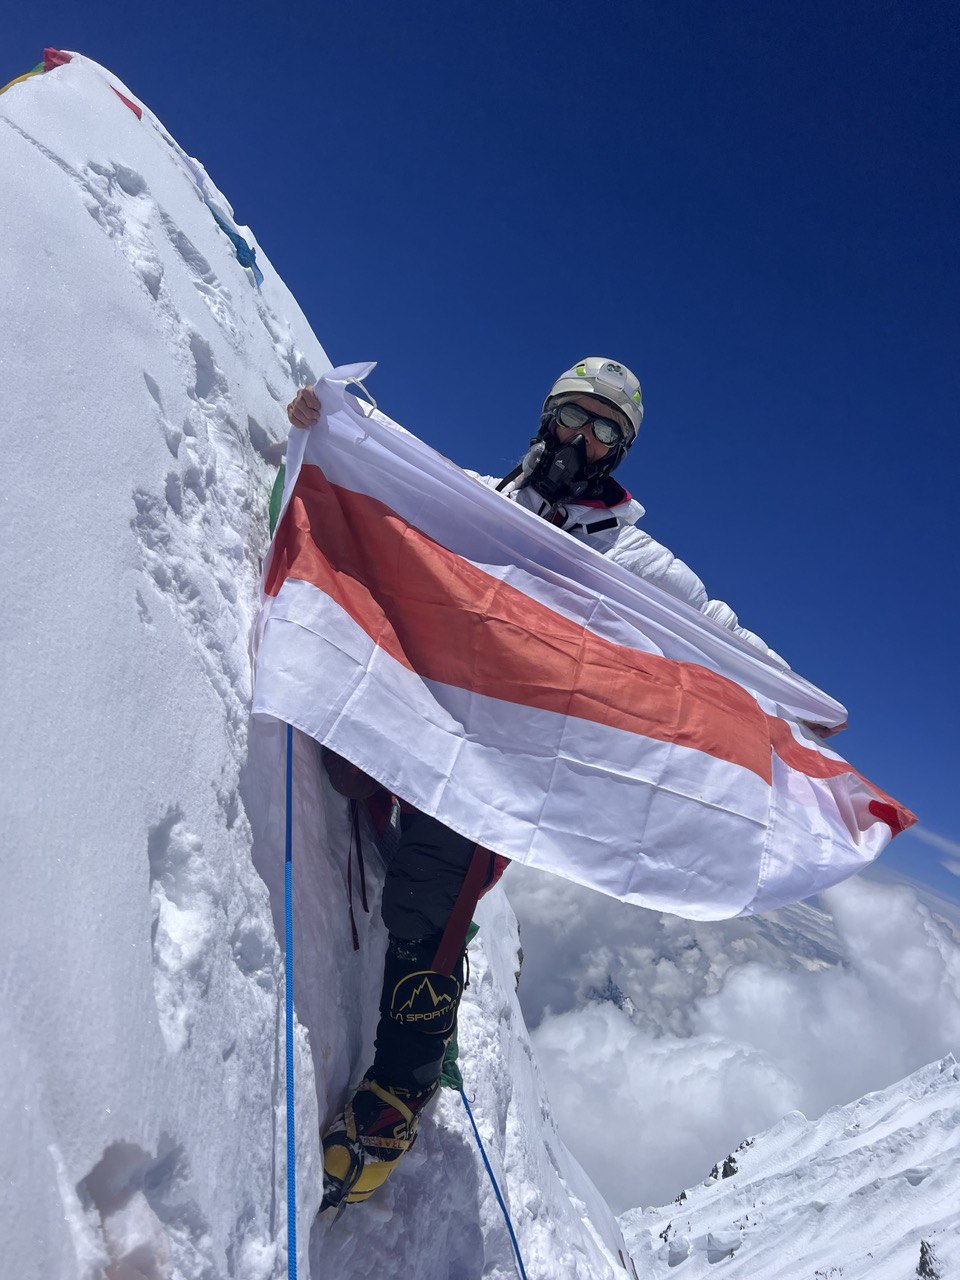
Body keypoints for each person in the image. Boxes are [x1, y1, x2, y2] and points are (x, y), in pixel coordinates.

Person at [285, 357, 784, 1211]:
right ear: (547, 415)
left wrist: (790, 706)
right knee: (343, 767)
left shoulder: (632, 556)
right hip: (429, 707)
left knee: (428, 898)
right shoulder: (483, 497)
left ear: (620, 453)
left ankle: (400, 1089)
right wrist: (320, 428)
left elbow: (709, 629)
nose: (582, 442)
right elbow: (396, 478)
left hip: (509, 764)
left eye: (605, 432)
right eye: (574, 418)